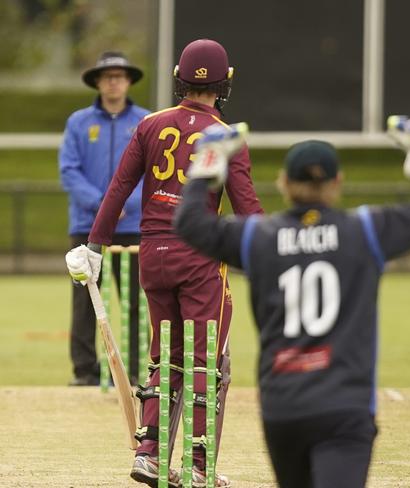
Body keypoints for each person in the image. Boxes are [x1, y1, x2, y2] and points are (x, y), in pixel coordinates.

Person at [172, 116, 410, 488]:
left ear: (284, 183)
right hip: (344, 405)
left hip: (283, 407)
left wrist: (206, 165)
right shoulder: (364, 231)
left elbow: (189, 222)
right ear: (337, 183)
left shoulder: (258, 237)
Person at [65, 39, 262, 487]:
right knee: (207, 361)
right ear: (224, 84)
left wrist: (94, 248)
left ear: (179, 77)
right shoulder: (226, 136)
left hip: (152, 254)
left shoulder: (150, 125)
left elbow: (118, 188)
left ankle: (150, 453)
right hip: (199, 257)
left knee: (164, 355)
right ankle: (198, 464)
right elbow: (247, 207)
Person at [59, 51, 149, 387]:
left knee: (136, 301)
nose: (113, 81)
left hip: (131, 226)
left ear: (128, 81)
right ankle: (85, 371)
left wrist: (125, 203)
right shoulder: (79, 122)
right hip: (87, 225)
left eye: (119, 76)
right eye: (107, 76)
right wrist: (102, 204)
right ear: (97, 81)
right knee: (84, 300)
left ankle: (137, 369)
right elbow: (69, 170)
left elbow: (154, 173)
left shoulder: (145, 121)